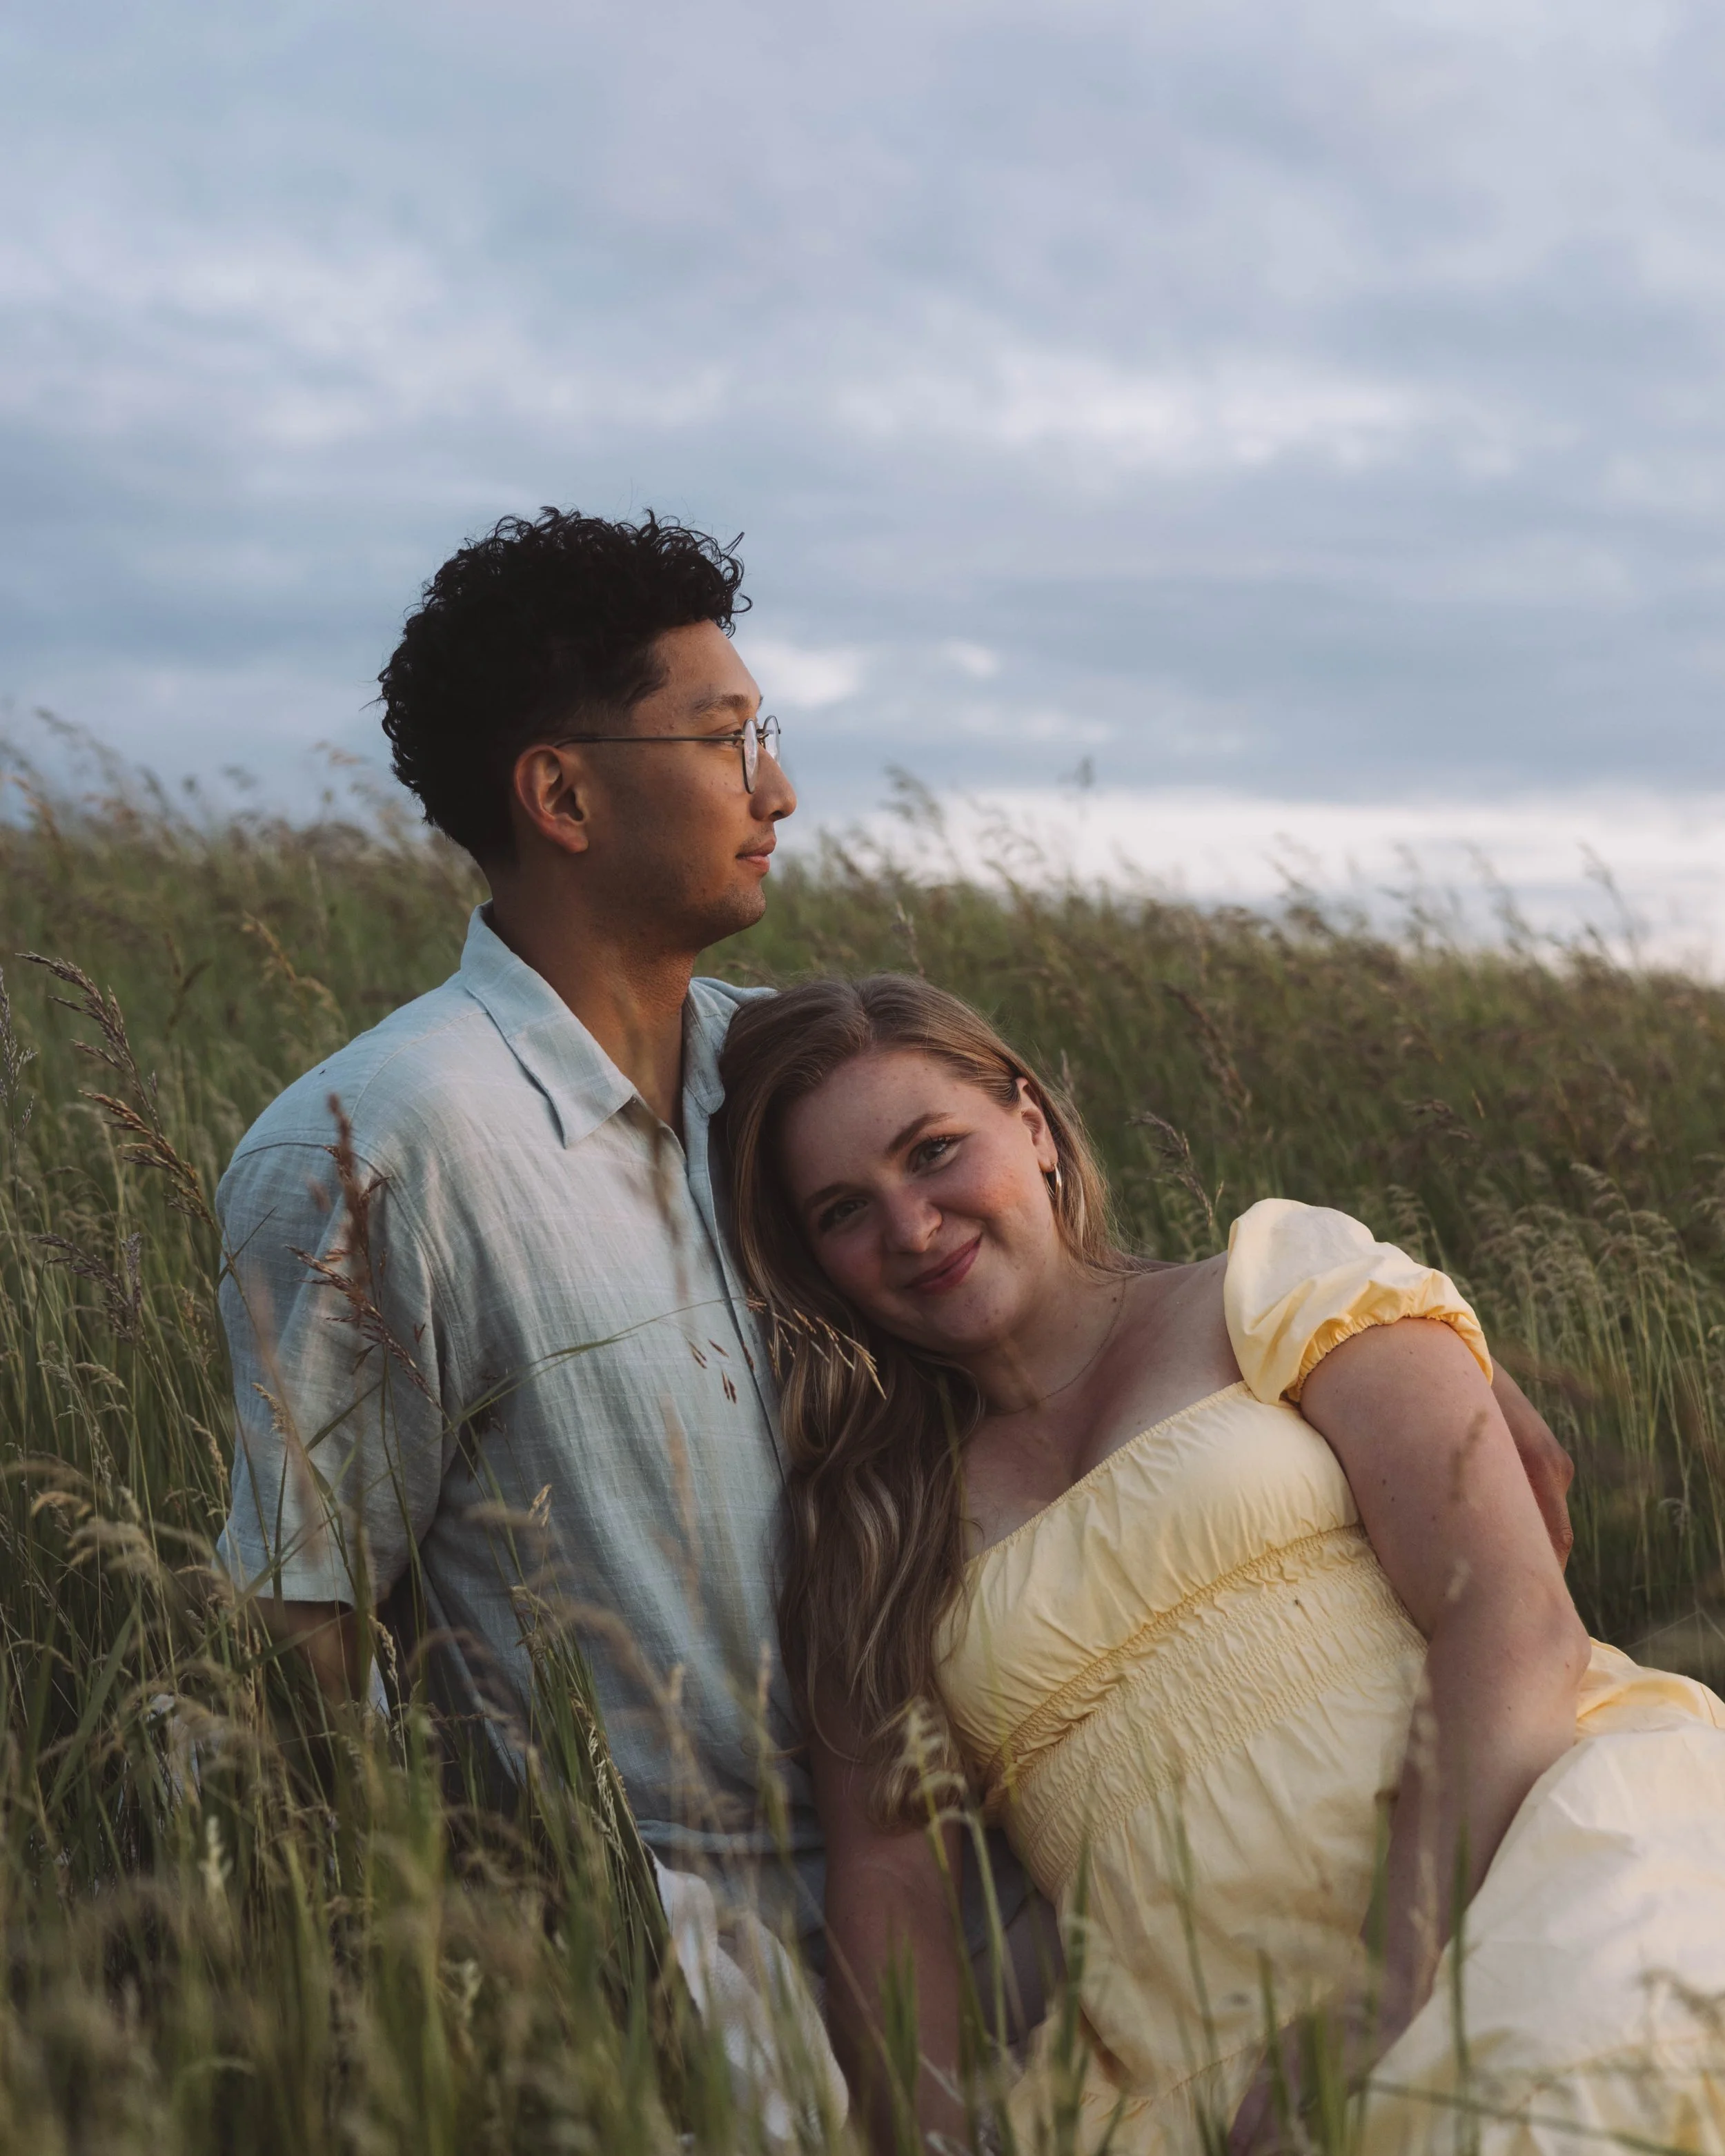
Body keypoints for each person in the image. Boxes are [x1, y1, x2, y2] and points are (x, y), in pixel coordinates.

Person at [716, 972, 1725, 2156]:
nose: (911, 1224)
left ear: (1033, 1127)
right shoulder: (869, 1520)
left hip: (1509, 1880)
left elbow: (1511, 1613)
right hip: (1177, 2060)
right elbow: (894, 1885)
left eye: (934, 1150)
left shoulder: (1271, 1282)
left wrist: (1370, 2005)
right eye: (842, 1210)